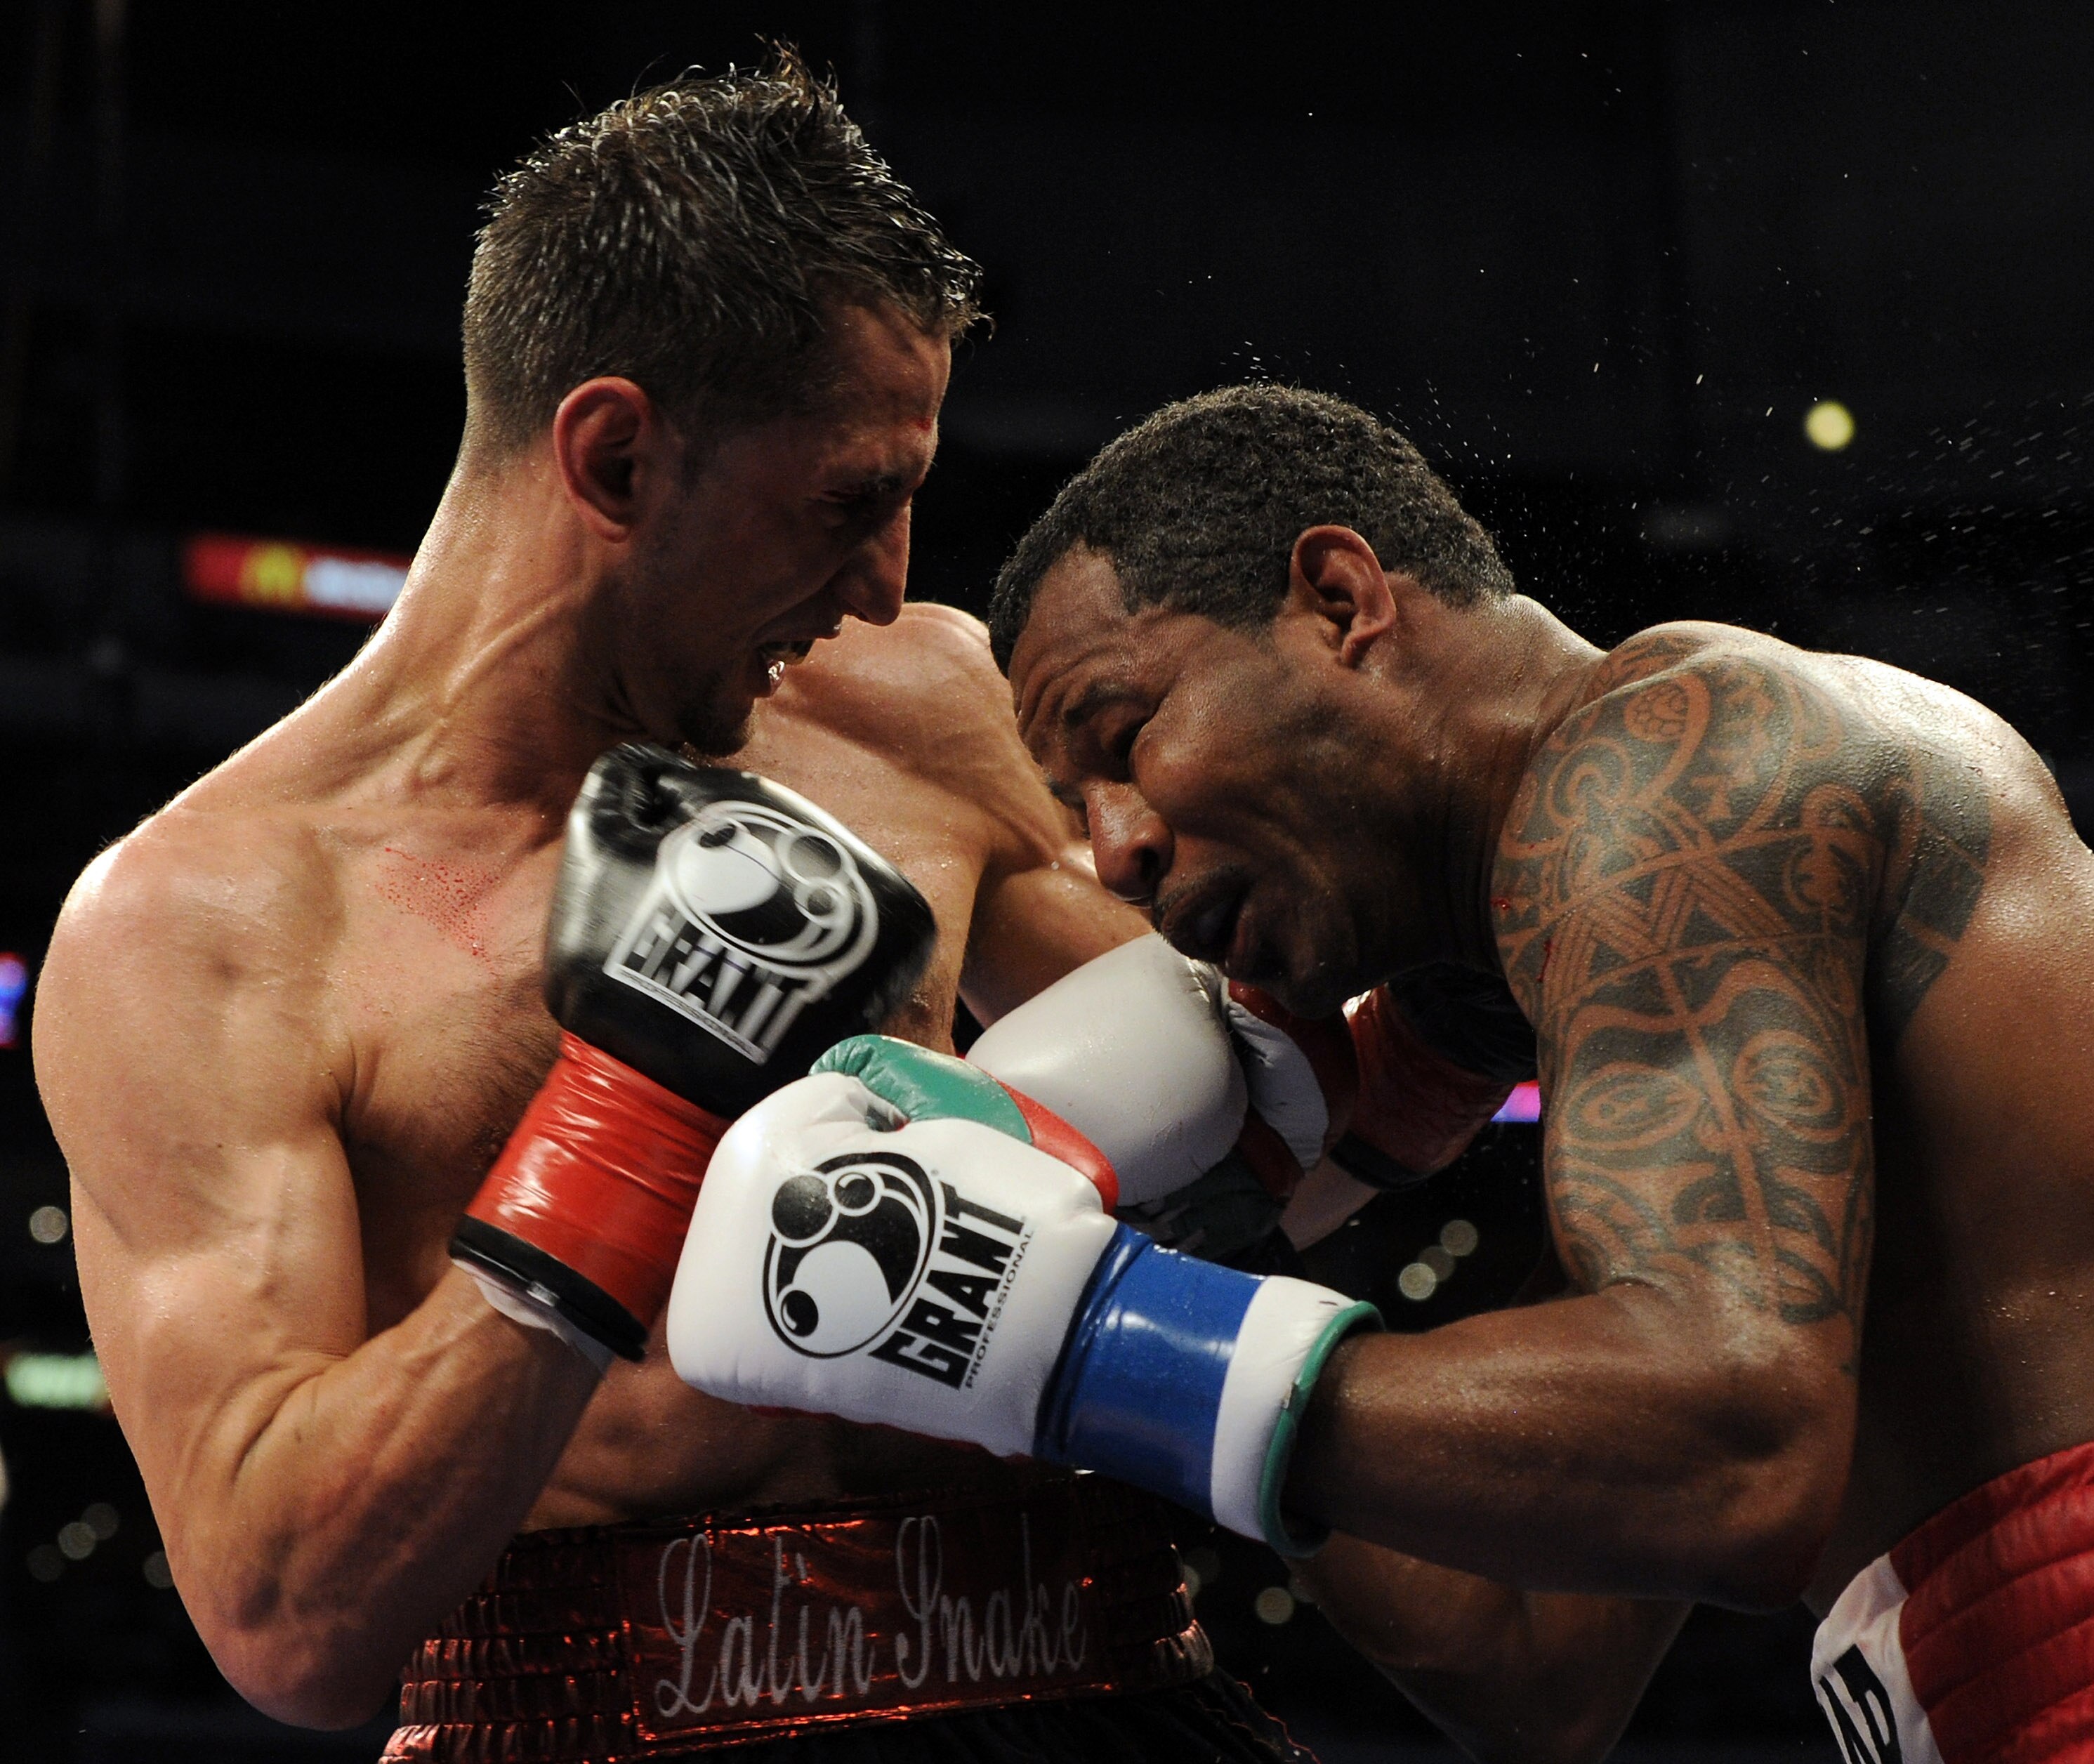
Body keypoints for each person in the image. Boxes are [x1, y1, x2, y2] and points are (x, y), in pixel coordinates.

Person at [32, 69, 1320, 1763]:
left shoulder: (907, 704)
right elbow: (285, 1613)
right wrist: (626, 1115)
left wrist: (1405, 1007)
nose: (888, 577)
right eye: (848, 499)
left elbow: (1250, 1092)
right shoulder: (198, 926)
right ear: (619, 454)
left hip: (1108, 1688)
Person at [673, 382, 2094, 1764]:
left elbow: (1739, 1446)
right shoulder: (1634, 1014)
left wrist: (1079, 1332)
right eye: (1076, 806)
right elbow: (1535, 1665)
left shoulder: (1676, 757)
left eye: (1127, 736)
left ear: (1342, 601)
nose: (1115, 848)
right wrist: (1184, 1250)